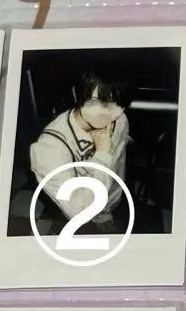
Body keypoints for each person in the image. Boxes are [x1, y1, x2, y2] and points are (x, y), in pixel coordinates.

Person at [29, 71, 134, 231]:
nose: (105, 113)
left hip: (111, 203)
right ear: (75, 94)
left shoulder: (120, 120)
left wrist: (106, 210)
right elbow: (77, 211)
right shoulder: (50, 148)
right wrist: (102, 155)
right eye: (95, 101)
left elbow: (119, 164)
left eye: (116, 104)